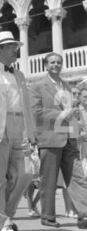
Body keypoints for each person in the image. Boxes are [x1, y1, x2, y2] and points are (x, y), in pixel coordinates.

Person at [0, 31, 36, 231]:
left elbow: (26, 105)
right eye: (11, 46)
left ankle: (6, 213)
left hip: (19, 126)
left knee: (26, 173)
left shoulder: (19, 74)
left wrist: (31, 131)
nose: (15, 50)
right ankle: (1, 224)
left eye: (15, 46)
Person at [30, 52, 87, 229]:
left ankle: (84, 214)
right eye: (52, 62)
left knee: (78, 176)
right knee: (49, 179)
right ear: (46, 65)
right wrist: (61, 114)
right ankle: (48, 216)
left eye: (58, 62)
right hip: (50, 138)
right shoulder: (37, 86)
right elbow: (36, 112)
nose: (56, 65)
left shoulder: (67, 86)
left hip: (69, 138)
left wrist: (74, 117)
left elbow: (70, 110)